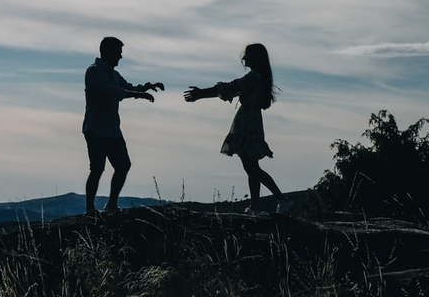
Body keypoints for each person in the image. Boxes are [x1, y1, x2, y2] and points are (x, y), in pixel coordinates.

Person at [184, 43, 291, 214]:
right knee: (251, 166)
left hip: (247, 122)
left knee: (251, 167)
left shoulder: (252, 78)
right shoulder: (258, 77)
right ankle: (256, 206)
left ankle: (281, 199)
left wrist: (200, 94)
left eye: (247, 55)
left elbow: (229, 88)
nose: (244, 58)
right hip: (251, 121)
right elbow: (230, 89)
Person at [83, 36, 164, 215]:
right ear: (106, 52)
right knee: (97, 169)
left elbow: (127, 86)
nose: (120, 56)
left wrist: (147, 87)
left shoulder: (114, 74)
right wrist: (138, 95)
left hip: (112, 130)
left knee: (123, 165)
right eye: (118, 52)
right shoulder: (94, 72)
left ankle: (112, 205)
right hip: (96, 128)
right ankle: (90, 209)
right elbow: (112, 92)